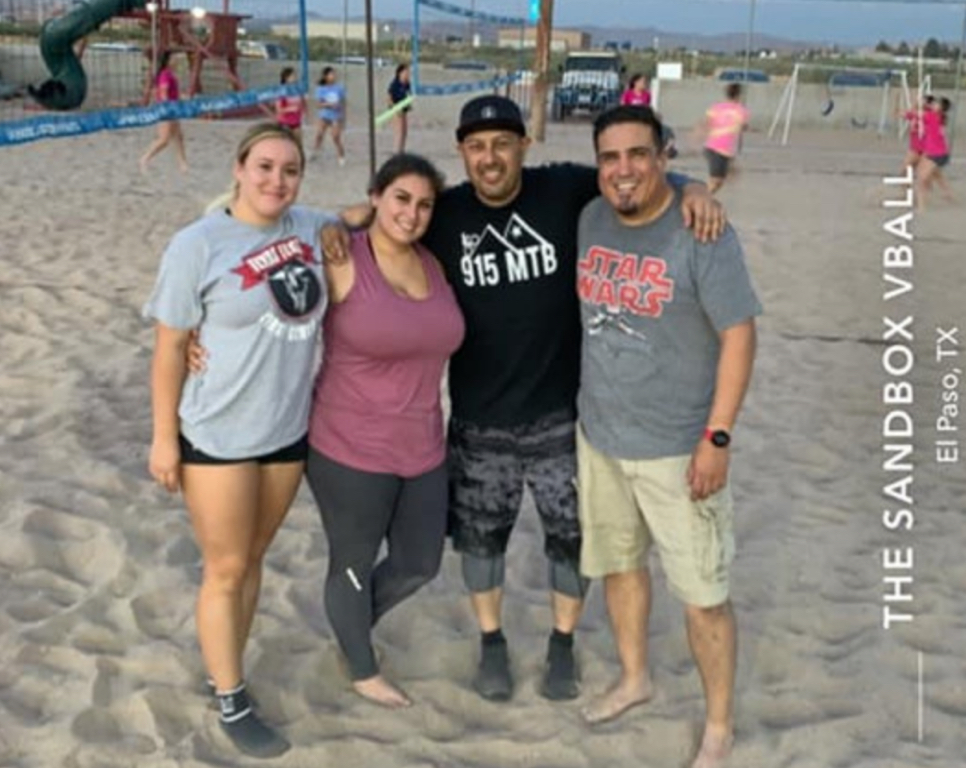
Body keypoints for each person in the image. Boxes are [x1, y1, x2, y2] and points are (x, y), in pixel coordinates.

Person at [325, 95, 722, 704]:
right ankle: (492, 642)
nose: (490, 157)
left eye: (503, 144)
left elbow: (632, 176)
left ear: (523, 146)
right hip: (478, 417)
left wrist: (692, 186)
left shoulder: (562, 190)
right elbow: (377, 218)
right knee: (482, 542)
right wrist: (339, 221)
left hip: (562, 414)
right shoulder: (445, 211)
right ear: (463, 152)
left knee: (570, 539)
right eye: (477, 146)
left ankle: (562, 642)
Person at [574, 105, 760, 768]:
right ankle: (635, 678)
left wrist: (718, 436)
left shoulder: (699, 231)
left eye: (638, 154)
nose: (623, 169)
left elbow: (739, 334)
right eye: (610, 157)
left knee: (703, 596)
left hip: (680, 448)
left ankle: (718, 727)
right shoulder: (590, 216)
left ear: (663, 156)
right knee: (621, 566)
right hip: (600, 436)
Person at [145, 123, 335, 759]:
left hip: (286, 429)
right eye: (264, 167)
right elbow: (170, 347)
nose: (277, 180)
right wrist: (163, 438)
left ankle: (223, 663)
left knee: (252, 557)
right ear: (238, 168)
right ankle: (231, 696)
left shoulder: (311, 227)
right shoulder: (197, 244)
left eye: (290, 170)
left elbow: (371, 216)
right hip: (218, 432)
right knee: (225, 567)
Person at [305, 153, 465, 708]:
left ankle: (348, 621)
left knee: (420, 562)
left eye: (424, 205)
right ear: (375, 196)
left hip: (423, 446)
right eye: (400, 198)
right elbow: (262, 285)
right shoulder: (342, 256)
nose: (411, 214)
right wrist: (197, 343)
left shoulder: (434, 262)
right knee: (352, 562)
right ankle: (361, 667)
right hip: (348, 445)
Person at [139, 51, 189, 174]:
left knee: (178, 136)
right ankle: (145, 158)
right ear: (168, 61)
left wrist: (181, 98)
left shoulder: (170, 74)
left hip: (172, 108)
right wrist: (167, 108)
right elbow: (163, 92)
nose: (176, 61)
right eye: (174, 58)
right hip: (166, 109)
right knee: (164, 139)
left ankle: (182, 163)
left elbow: (172, 93)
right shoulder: (165, 74)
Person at [700, 83, 749, 194]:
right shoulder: (741, 110)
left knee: (719, 181)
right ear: (739, 95)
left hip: (712, 146)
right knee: (716, 181)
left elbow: (707, 123)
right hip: (720, 149)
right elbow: (742, 126)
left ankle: (704, 196)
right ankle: (701, 198)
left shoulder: (716, 107)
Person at [917, 96, 955, 208]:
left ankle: (921, 206)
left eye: (937, 104)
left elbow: (918, 113)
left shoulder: (932, 116)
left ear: (941, 108)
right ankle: (949, 194)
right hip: (934, 152)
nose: (934, 104)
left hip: (936, 154)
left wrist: (921, 103)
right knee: (936, 175)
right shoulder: (938, 116)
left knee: (922, 179)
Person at [311, 66, 346, 166]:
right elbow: (318, 104)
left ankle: (341, 155)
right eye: (331, 74)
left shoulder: (339, 88)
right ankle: (316, 151)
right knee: (319, 134)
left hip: (336, 116)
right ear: (325, 76)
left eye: (334, 74)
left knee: (336, 137)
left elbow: (343, 102)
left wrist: (342, 113)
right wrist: (329, 105)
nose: (333, 76)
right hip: (325, 115)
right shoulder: (321, 89)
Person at [273, 66, 306, 145]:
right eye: (293, 76)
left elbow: (302, 103)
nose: (295, 77)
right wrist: (291, 109)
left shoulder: (297, 89)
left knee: (298, 143)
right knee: (285, 144)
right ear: (286, 78)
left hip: (296, 121)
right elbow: (278, 109)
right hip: (284, 121)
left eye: (295, 75)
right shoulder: (281, 91)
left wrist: (304, 112)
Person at [388, 63, 413, 154]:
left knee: (404, 131)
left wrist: (409, 104)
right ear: (400, 73)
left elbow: (408, 95)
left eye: (408, 72)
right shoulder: (395, 84)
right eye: (406, 72)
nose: (408, 74)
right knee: (399, 131)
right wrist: (394, 108)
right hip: (396, 109)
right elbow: (389, 98)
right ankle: (397, 151)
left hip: (403, 110)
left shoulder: (407, 84)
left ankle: (401, 150)